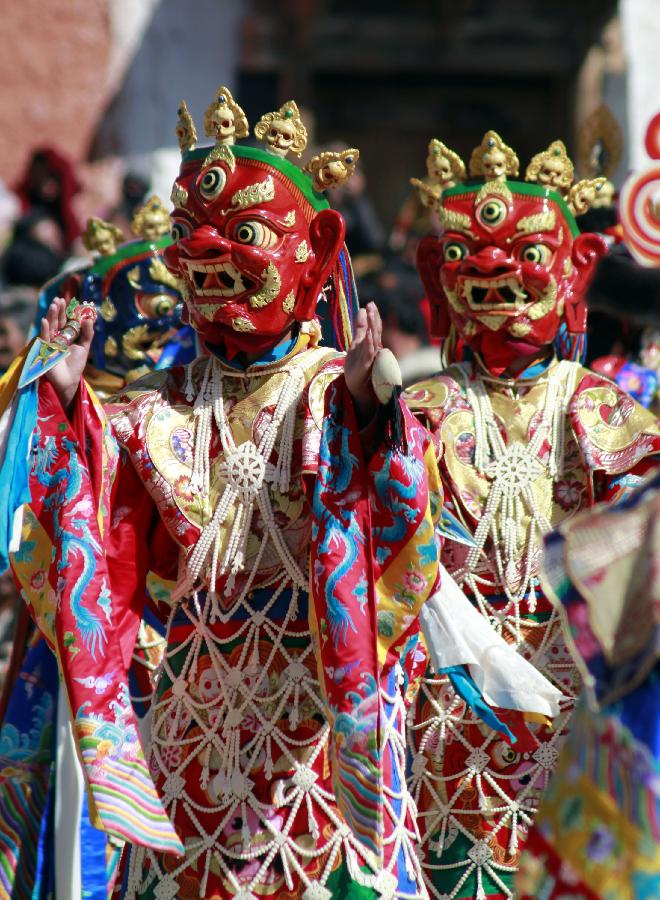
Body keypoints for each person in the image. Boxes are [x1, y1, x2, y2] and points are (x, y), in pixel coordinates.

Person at [0, 90, 446, 899]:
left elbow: (396, 521)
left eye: (243, 236)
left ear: (315, 250)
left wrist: (367, 418)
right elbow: (102, 532)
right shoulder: (161, 406)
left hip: (312, 725)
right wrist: (67, 402)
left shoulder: (326, 392)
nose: (208, 261)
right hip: (191, 731)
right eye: (190, 242)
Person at [403, 130, 660, 899]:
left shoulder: (605, 412)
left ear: (577, 270)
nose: (492, 271)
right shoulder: (415, 412)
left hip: (574, 705)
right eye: (469, 257)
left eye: (524, 255)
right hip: (449, 712)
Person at [0, 201, 195, 899]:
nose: (161, 328)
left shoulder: (206, 408)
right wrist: (61, 396)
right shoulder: (94, 412)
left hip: (193, 655)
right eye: (140, 308)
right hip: (86, 641)